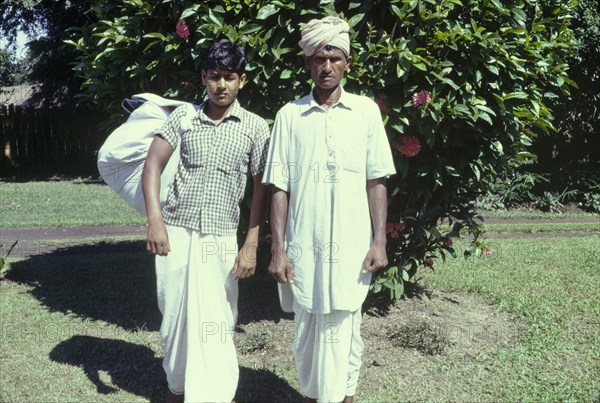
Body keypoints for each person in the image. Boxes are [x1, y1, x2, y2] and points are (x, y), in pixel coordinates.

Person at [262, 16, 396, 403]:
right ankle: (311, 396)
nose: (326, 67)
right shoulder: (290, 116)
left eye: (335, 58)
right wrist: (278, 248)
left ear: (347, 63)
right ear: (308, 63)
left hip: (352, 246)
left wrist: (378, 242)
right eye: (319, 59)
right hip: (304, 245)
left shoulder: (366, 112)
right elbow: (279, 187)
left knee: (346, 330)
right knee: (306, 332)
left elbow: (376, 181)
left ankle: (342, 397)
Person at [142, 41, 270, 403]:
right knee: (173, 318)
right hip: (177, 232)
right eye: (214, 77)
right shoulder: (183, 118)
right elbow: (152, 166)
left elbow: (262, 189)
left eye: (229, 77)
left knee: (216, 321)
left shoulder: (255, 128)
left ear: (242, 80)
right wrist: (156, 221)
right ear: (204, 78)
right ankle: (177, 389)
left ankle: (213, 394)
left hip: (221, 236)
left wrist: (251, 244)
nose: (222, 86)